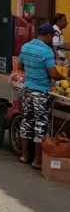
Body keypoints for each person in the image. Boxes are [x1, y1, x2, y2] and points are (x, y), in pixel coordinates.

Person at [17, 23, 69, 169]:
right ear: (47, 35)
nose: (51, 39)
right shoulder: (47, 51)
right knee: (41, 124)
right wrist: (64, 77)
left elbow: (20, 67)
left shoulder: (25, 46)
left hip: (27, 89)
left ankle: (24, 155)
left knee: (27, 120)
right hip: (41, 92)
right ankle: (37, 160)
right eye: (51, 37)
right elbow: (52, 73)